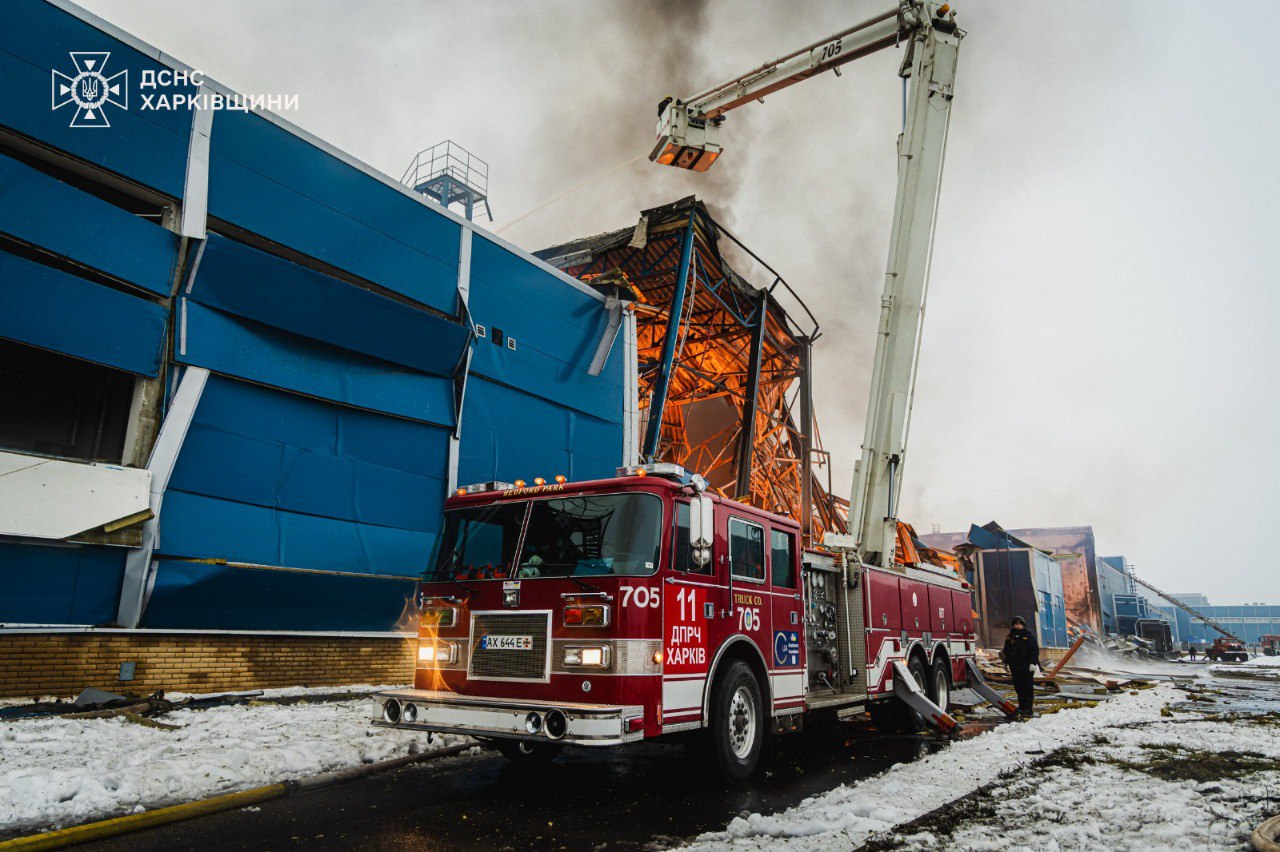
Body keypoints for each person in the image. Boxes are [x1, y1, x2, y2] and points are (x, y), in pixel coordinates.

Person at [1003, 616, 1040, 718]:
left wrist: (1033, 663)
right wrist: (1005, 662)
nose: (1018, 626)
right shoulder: (1010, 638)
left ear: (1023, 625)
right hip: (1015, 666)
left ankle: (1028, 709)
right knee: (1018, 687)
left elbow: (1034, 651)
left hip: (1026, 667)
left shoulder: (1029, 637)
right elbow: (1006, 651)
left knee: (1027, 687)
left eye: (1020, 624)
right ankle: (1022, 706)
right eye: (1016, 624)